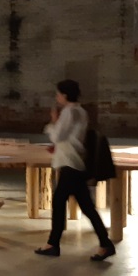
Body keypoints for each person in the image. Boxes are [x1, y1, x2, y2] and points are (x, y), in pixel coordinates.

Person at [35, 79, 116, 261]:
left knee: (60, 202)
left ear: (64, 95)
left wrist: (53, 122)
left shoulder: (69, 112)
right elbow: (71, 138)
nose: (57, 97)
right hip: (75, 161)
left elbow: (58, 136)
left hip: (70, 163)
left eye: (58, 94)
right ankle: (105, 244)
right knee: (86, 206)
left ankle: (53, 244)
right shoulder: (81, 111)